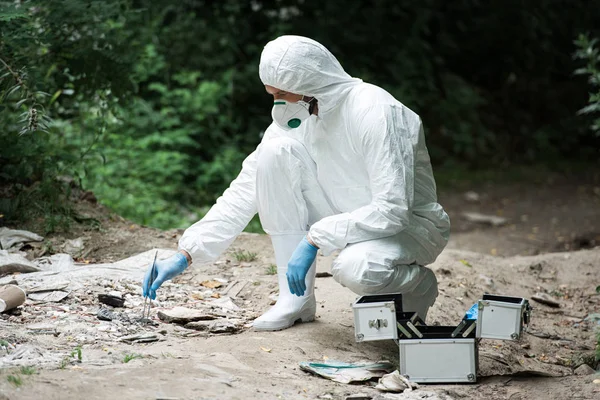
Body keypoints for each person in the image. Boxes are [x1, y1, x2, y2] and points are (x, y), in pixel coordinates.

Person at [143, 35, 450, 331]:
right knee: (273, 153)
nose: (277, 105)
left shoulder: (376, 112)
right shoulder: (303, 117)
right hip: (347, 214)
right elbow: (244, 190)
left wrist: (315, 238)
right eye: (272, 96)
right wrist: (186, 254)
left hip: (410, 226)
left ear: (306, 84)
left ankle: (418, 287)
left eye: (280, 95)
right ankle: (296, 299)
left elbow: (392, 210)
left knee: (356, 268)